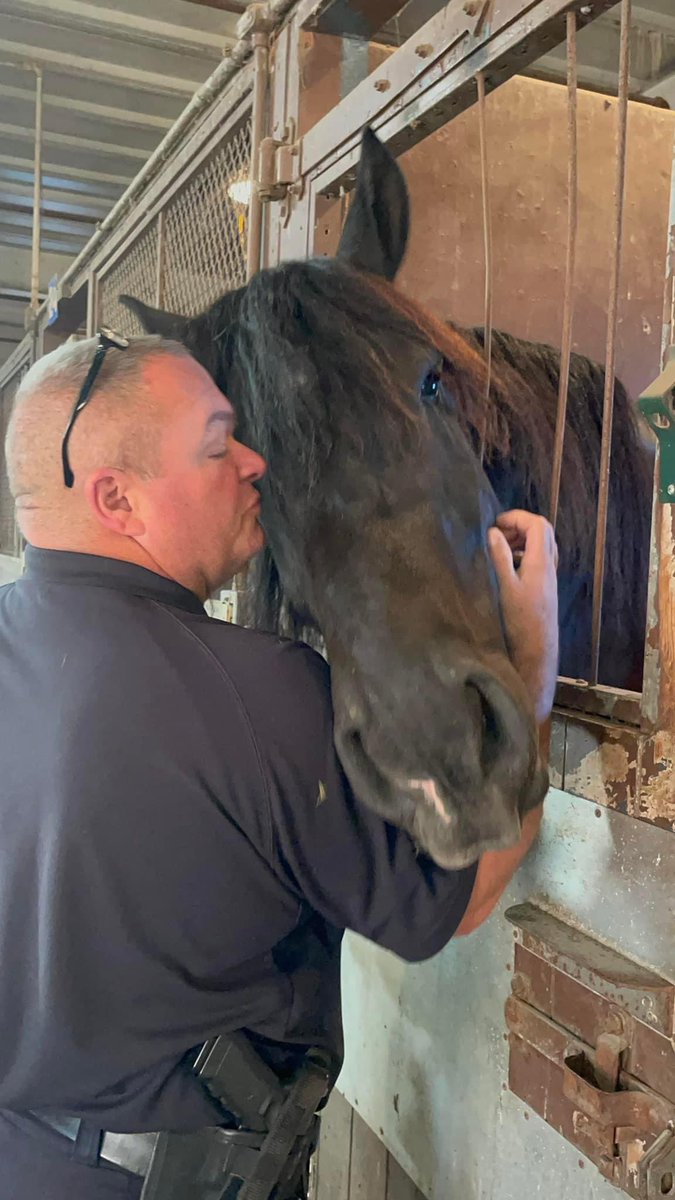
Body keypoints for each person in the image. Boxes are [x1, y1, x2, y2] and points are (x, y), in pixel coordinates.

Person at [0, 334, 559, 1200]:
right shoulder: (261, 692)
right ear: (118, 498)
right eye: (219, 445)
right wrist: (530, 666)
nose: (255, 463)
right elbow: (466, 893)